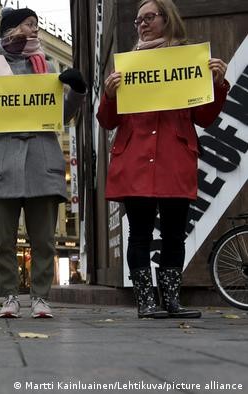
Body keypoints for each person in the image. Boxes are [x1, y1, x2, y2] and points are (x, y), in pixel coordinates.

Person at [97, 0, 229, 319]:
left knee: (173, 232)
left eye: (149, 17)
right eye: (138, 20)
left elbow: (204, 117)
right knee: (140, 232)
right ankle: (146, 301)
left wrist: (218, 85)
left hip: (174, 156)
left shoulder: (190, 62)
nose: (142, 24)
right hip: (135, 157)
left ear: (167, 19)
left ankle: (171, 300)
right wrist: (110, 95)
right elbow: (107, 121)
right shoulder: (127, 65)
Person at [0, 8, 87, 319]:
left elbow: (59, 116)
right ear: (11, 29)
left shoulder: (46, 66)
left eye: (36, 25)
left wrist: (77, 92)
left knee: (43, 239)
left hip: (41, 165)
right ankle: (8, 297)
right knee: (3, 239)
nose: (34, 30)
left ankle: (41, 298)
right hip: (0, 167)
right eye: (28, 24)